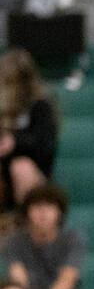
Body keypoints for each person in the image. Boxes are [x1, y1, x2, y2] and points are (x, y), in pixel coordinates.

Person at [0, 49, 58, 210]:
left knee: (21, 167)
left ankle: (25, 222)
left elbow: (46, 148)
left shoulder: (40, 107)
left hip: (34, 173)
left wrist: (16, 142)